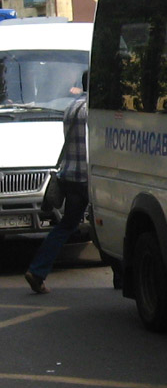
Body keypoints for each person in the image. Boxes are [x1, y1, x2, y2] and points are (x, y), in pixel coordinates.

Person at [25, 71, 89, 294]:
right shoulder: (93, 110)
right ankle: (121, 277)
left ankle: (37, 270)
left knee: (66, 226)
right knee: (103, 225)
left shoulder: (72, 107)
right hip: (87, 178)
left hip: (69, 176)